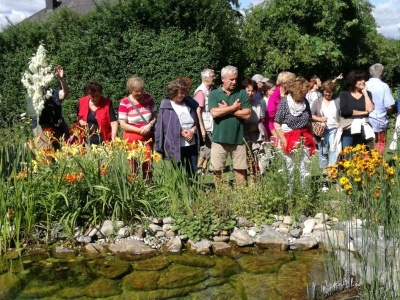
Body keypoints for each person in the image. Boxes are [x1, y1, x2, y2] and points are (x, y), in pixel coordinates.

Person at [208, 65, 251, 185]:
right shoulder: (214, 94)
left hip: (238, 139)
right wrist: (234, 108)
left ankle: (241, 196)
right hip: (219, 139)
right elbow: (215, 113)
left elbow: (247, 114)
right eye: (231, 79)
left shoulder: (241, 93)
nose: (234, 82)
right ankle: (221, 194)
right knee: (217, 170)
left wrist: (227, 110)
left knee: (240, 169)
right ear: (223, 79)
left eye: (235, 79)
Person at [155, 78, 202, 178]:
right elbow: (163, 126)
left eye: (185, 93)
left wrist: (192, 131)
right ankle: (181, 192)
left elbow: (196, 121)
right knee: (178, 172)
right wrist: (181, 132)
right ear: (173, 92)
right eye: (181, 93)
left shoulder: (189, 103)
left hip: (191, 143)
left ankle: (195, 191)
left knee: (193, 171)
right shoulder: (166, 105)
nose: (184, 95)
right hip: (175, 145)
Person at [274, 77, 316, 182]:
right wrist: (284, 140)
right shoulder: (285, 103)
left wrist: (312, 137)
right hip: (289, 137)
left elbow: (309, 120)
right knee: (290, 168)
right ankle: (289, 193)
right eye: (301, 94)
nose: (303, 96)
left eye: (304, 94)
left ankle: (304, 192)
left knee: (305, 167)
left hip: (304, 137)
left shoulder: (305, 102)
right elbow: (276, 123)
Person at [119, 76, 157, 181]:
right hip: (132, 137)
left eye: (141, 91)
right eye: (136, 91)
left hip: (147, 137)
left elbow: (154, 115)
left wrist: (149, 125)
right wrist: (139, 130)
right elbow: (122, 124)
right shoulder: (124, 102)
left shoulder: (148, 98)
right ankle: (133, 187)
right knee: (133, 165)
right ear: (130, 90)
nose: (140, 93)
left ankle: (148, 186)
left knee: (148, 163)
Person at [28, 65, 70, 149]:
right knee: (46, 156)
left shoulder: (53, 92)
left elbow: (65, 93)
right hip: (42, 130)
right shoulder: (33, 94)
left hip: (58, 128)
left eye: (47, 74)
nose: (46, 76)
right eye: (43, 74)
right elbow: (32, 112)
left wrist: (61, 79)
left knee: (61, 154)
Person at [338, 70, 375, 152]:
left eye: (363, 79)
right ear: (353, 81)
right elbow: (345, 110)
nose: (363, 81)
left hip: (364, 127)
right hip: (348, 128)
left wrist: (365, 93)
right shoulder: (344, 94)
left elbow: (370, 109)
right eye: (360, 79)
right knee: (347, 152)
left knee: (362, 153)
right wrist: (363, 113)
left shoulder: (368, 94)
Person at [311, 80, 340, 173]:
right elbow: (311, 115)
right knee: (323, 150)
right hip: (322, 130)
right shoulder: (317, 101)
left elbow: (342, 113)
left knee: (333, 149)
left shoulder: (337, 100)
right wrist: (320, 119)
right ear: (323, 91)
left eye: (330, 92)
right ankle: (324, 169)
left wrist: (340, 122)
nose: (328, 94)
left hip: (334, 129)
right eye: (326, 92)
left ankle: (332, 169)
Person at [77, 80, 118, 145]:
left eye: (97, 95)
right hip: (86, 140)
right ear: (88, 94)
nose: (95, 98)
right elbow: (78, 117)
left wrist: (114, 136)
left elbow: (113, 122)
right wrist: (81, 121)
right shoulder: (82, 102)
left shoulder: (107, 103)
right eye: (92, 96)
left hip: (105, 140)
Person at [366, 63, 395, 152]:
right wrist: (391, 113)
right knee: (380, 142)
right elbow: (389, 106)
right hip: (379, 119)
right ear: (381, 73)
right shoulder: (383, 86)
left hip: (366, 118)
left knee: (367, 143)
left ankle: (366, 161)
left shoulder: (364, 84)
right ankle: (377, 162)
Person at [193, 69, 215, 175]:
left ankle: (204, 168)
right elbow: (198, 111)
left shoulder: (209, 90)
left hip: (210, 124)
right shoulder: (201, 92)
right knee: (208, 146)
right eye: (212, 76)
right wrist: (201, 128)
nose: (214, 77)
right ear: (206, 78)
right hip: (206, 125)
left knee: (209, 146)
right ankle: (199, 167)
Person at [243, 78, 265, 177]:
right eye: (248, 90)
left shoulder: (258, 103)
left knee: (256, 157)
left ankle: (257, 176)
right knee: (246, 159)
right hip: (243, 135)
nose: (250, 93)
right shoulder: (239, 104)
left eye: (253, 91)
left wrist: (257, 126)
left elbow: (261, 119)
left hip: (255, 135)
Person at [265, 71, 296, 144]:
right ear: (284, 83)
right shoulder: (274, 97)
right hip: (277, 131)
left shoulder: (290, 94)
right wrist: (277, 136)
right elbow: (270, 120)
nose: (293, 84)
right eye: (291, 82)